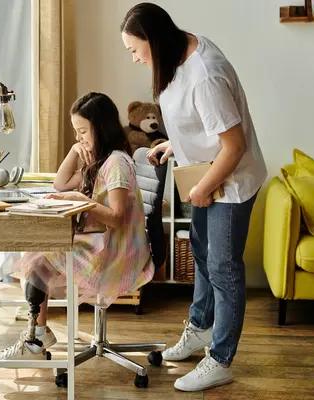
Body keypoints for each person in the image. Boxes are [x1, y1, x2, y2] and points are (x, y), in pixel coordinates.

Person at [120, 2, 267, 392]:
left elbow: (233, 147)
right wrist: (175, 143)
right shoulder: (178, 54)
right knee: (201, 254)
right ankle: (201, 328)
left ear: (152, 40)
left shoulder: (205, 74)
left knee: (223, 267)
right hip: (205, 172)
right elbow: (205, 123)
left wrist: (202, 188)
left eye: (135, 50)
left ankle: (220, 359)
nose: (134, 59)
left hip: (229, 182)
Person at [0, 92, 155, 361]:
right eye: (76, 132)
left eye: (82, 132)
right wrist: (74, 151)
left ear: (101, 128)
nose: (79, 138)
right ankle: (37, 333)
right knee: (40, 253)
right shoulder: (100, 161)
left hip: (118, 251)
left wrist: (81, 200)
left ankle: (36, 337)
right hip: (105, 240)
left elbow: (116, 217)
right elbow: (60, 183)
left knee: (40, 258)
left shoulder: (116, 164)